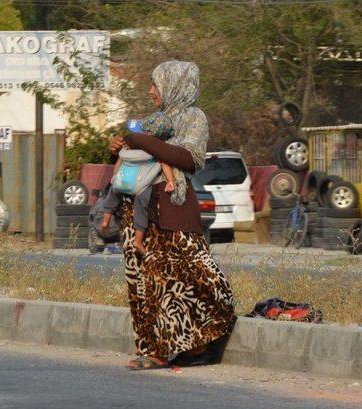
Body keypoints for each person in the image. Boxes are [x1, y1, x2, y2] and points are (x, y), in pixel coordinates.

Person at [109, 61, 236, 370]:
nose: (151, 91)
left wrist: (142, 141)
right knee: (144, 285)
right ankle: (153, 350)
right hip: (138, 212)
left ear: (175, 85)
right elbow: (138, 154)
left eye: (157, 85)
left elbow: (189, 159)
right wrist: (119, 149)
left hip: (174, 208)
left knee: (198, 276)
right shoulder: (156, 120)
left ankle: (204, 342)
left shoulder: (194, 118)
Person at [100, 112, 176, 256]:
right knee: (142, 202)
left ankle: (106, 220)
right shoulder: (156, 149)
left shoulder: (128, 148)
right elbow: (165, 163)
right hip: (141, 185)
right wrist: (171, 181)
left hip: (124, 180)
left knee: (114, 190)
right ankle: (138, 240)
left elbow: (119, 163)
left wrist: (115, 177)